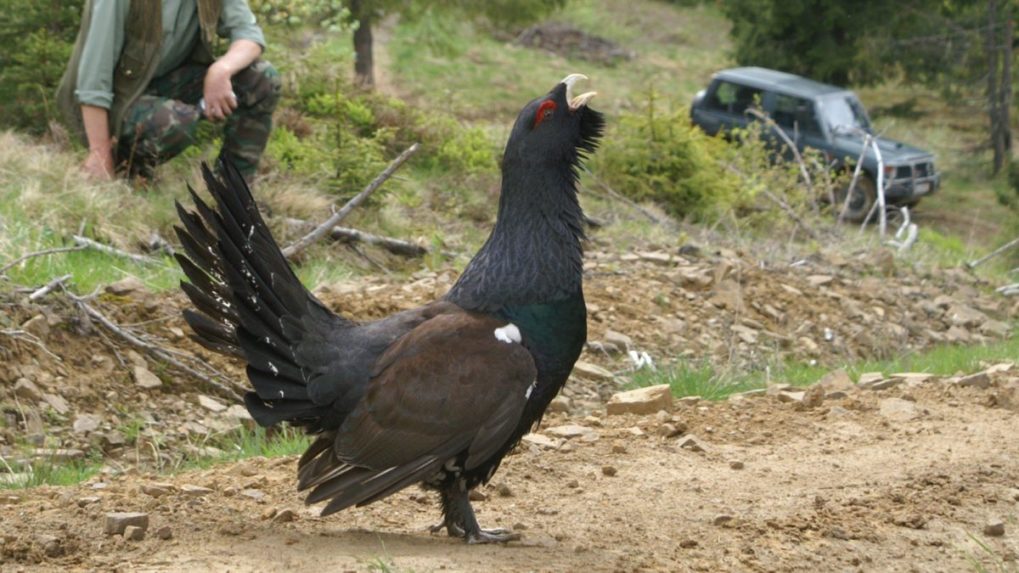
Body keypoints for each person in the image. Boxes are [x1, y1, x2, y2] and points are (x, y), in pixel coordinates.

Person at [56, 0, 281, 183]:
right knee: (176, 122)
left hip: (167, 83)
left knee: (262, 78)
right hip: (114, 101)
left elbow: (249, 35)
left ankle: (235, 192)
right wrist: (99, 153)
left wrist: (221, 70)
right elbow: (93, 82)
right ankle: (128, 170)